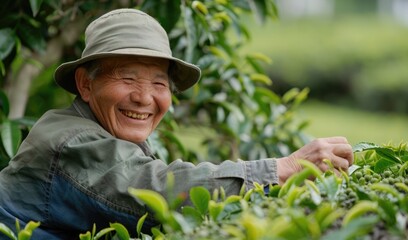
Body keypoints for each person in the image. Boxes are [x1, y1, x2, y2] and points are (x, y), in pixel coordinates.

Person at [0, 8, 353, 239]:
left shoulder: (109, 132)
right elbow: (154, 188)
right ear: (86, 84)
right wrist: (280, 169)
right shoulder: (70, 140)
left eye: (158, 83)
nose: (144, 97)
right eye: (127, 78)